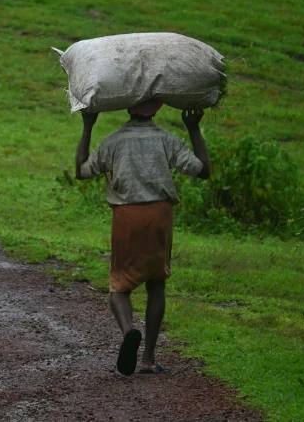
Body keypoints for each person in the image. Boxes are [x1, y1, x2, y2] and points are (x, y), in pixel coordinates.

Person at [75, 100, 210, 376]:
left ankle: (128, 332)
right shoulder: (166, 140)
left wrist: (88, 125)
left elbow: (81, 171)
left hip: (127, 216)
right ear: (156, 110)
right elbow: (203, 169)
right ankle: (148, 359)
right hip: (160, 215)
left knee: (119, 287)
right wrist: (193, 128)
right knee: (156, 284)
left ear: (128, 109)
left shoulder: (113, 141)